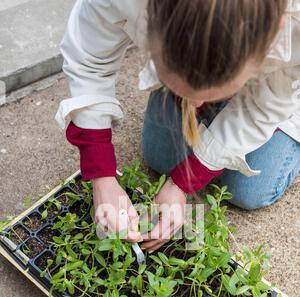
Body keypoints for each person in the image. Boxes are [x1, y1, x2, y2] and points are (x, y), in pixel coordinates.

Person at [56, 0, 300, 253]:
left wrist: (185, 181)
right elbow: (88, 61)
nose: (193, 106)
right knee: (160, 157)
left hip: (289, 84)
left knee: (248, 191)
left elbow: (266, 105)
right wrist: (102, 176)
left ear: (275, 30)